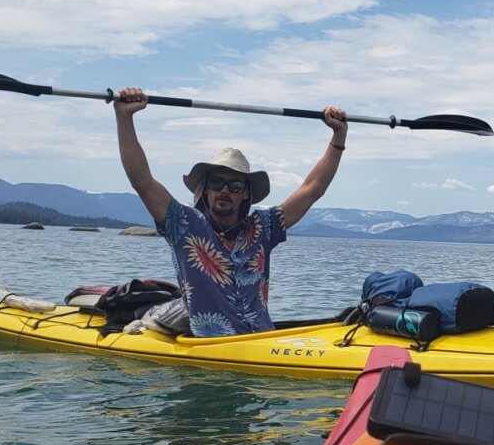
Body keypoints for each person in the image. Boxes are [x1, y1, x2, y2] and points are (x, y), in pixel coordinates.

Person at [113, 87, 348, 337]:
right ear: (205, 189)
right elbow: (142, 181)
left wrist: (338, 136)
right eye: (216, 183)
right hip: (209, 344)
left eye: (235, 185)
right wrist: (124, 117)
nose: (224, 191)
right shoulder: (183, 224)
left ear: (245, 193)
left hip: (259, 335)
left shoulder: (263, 228)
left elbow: (312, 189)